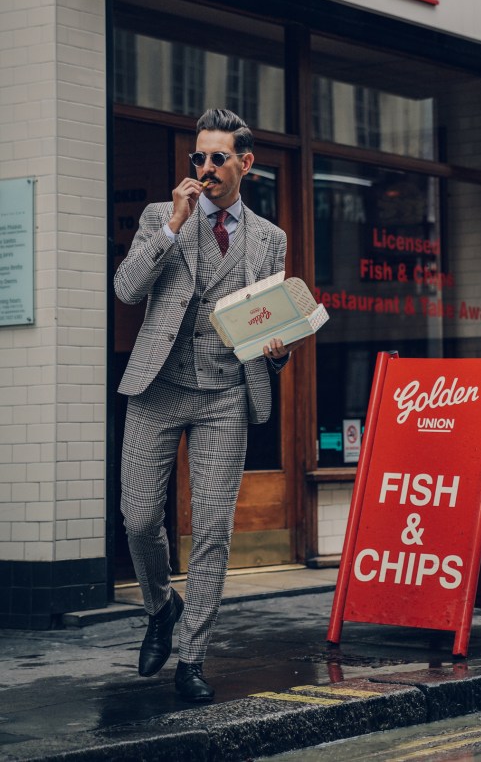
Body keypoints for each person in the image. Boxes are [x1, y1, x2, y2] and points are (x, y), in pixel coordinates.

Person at [115, 108, 292, 704]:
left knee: (213, 532)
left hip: (224, 393)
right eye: (199, 158)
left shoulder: (271, 239)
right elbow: (126, 288)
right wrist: (172, 227)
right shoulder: (160, 218)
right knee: (139, 518)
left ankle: (192, 656)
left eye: (219, 158)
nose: (207, 168)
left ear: (246, 164)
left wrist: (277, 349)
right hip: (157, 387)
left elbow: (273, 320)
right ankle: (161, 606)